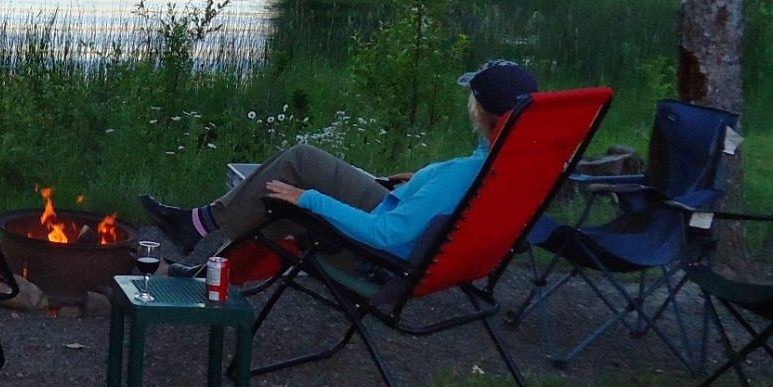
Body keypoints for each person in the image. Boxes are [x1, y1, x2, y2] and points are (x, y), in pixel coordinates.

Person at [139, 60, 539, 266]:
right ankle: (205, 256)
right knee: (284, 187)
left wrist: (310, 200)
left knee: (297, 169)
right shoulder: (513, 162)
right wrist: (422, 181)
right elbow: (448, 194)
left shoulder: (466, 175)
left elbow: (385, 235)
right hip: (401, 218)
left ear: (482, 112)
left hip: (378, 258)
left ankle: (197, 228)